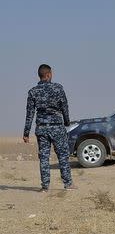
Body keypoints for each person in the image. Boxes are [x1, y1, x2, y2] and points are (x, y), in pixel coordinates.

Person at [23, 64, 76, 192]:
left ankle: (45, 186)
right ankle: (68, 184)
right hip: (57, 127)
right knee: (63, 155)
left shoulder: (33, 91)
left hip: (42, 129)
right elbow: (65, 107)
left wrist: (26, 133)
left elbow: (30, 114)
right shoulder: (58, 89)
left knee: (44, 157)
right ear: (48, 74)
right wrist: (67, 122)